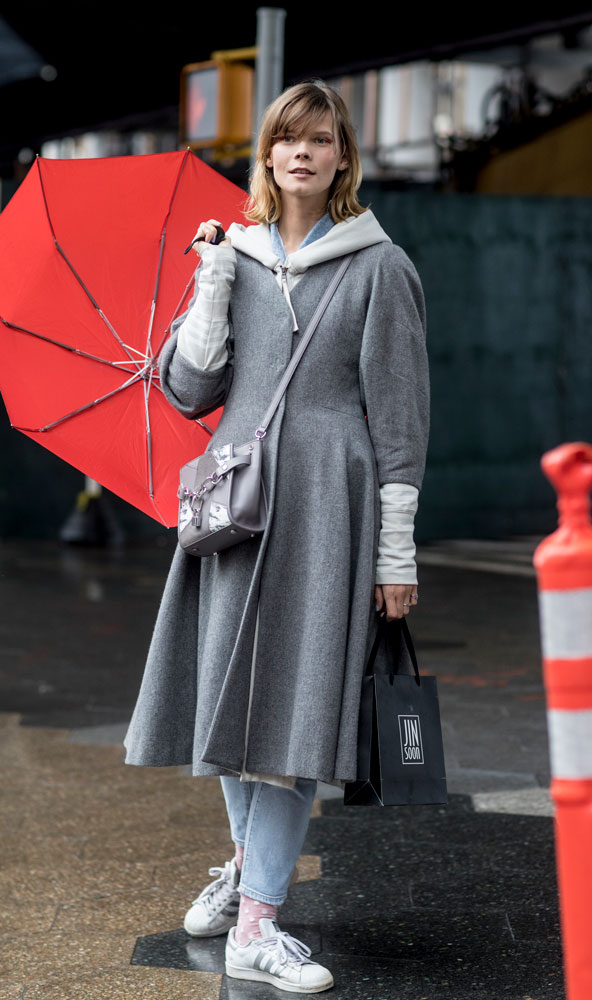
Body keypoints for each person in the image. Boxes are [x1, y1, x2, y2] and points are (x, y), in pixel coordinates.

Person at [124, 80, 430, 993]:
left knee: (294, 711)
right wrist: (212, 285)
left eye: (320, 140)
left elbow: (401, 422)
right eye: (286, 139)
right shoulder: (231, 255)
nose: (302, 153)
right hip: (236, 508)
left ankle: (257, 918)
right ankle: (247, 870)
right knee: (229, 699)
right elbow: (187, 392)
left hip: (329, 509)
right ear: (264, 154)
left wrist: (395, 553)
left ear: (342, 157)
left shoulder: (380, 267)